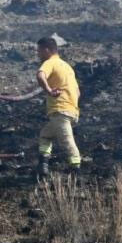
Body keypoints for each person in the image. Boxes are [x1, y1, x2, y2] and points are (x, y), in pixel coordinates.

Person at [35, 37, 81, 175]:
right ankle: (43, 165)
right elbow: (78, 92)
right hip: (71, 110)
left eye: (39, 51)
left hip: (60, 110)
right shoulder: (67, 67)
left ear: (46, 50)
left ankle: (76, 168)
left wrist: (49, 90)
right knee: (45, 135)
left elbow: (40, 75)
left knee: (67, 140)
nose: (38, 54)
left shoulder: (50, 63)